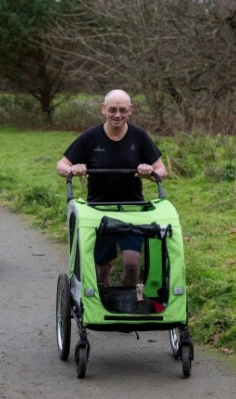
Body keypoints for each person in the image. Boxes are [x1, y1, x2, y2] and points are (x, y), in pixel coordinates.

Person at [56, 89, 167, 287]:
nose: (117, 115)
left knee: (132, 263)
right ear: (103, 109)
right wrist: (74, 168)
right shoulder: (90, 137)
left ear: (130, 110)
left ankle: (127, 303)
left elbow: (162, 170)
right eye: (113, 110)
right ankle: (103, 302)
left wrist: (149, 171)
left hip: (132, 210)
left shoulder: (139, 137)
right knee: (101, 268)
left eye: (122, 110)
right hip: (98, 210)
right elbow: (61, 166)